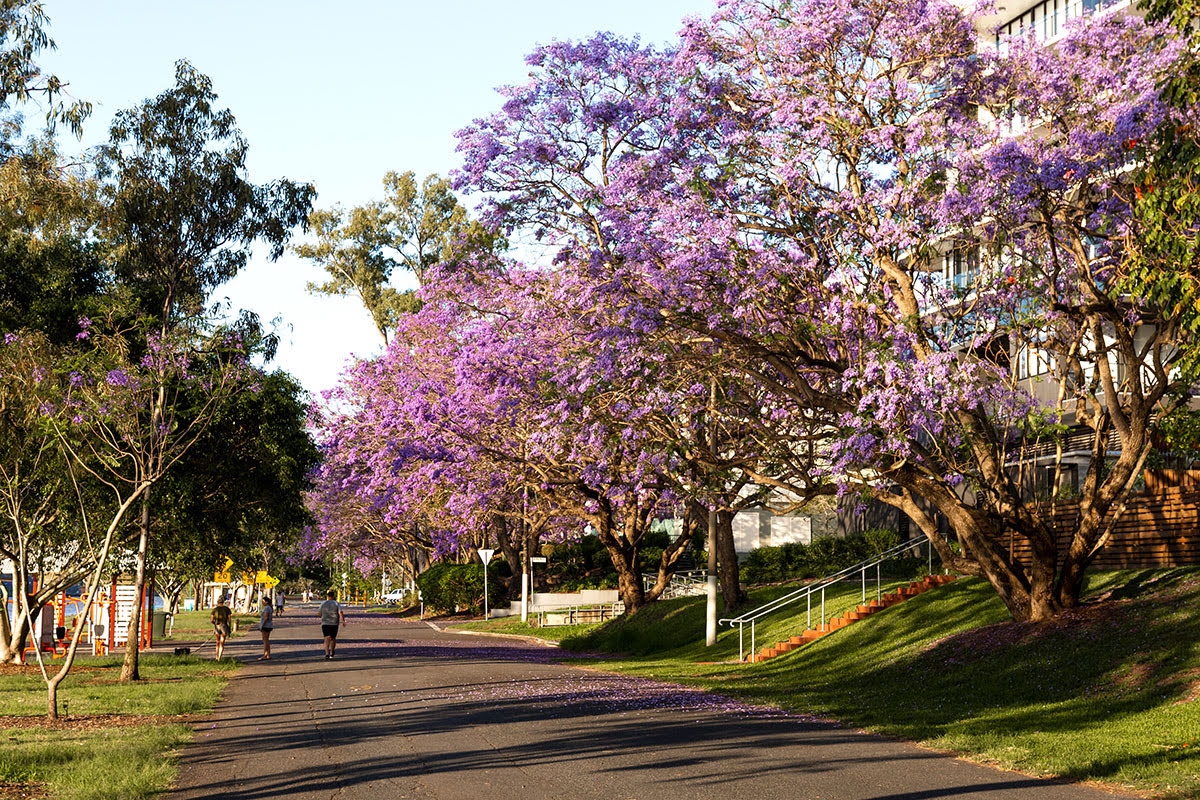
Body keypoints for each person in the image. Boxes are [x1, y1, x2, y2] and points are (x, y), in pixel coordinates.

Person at [318, 589, 346, 660]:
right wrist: (343, 621)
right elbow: (340, 612)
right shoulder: (336, 603)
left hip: (325, 623)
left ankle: (327, 653)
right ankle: (331, 652)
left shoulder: (323, 603)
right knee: (333, 638)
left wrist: (323, 617)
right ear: (333, 596)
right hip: (334, 623)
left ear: (327, 596)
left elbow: (319, 613)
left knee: (326, 638)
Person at [211, 595, 232, 661]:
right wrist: (229, 626)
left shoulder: (214, 610)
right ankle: (219, 657)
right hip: (224, 626)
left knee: (217, 642)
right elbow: (229, 619)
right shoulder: (227, 609)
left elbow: (211, 620)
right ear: (223, 601)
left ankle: (216, 656)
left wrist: (215, 623)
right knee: (222, 642)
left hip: (217, 626)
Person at [258, 594, 274, 660]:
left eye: (263, 601)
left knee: (265, 640)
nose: (262, 602)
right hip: (269, 625)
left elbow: (266, 617)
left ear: (266, 602)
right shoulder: (269, 607)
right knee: (266, 640)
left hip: (266, 626)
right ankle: (268, 655)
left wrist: (262, 625)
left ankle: (265, 654)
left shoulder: (267, 608)